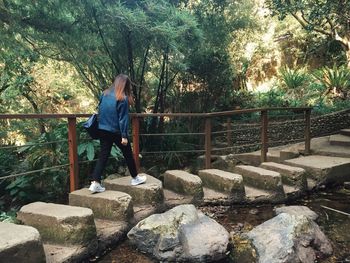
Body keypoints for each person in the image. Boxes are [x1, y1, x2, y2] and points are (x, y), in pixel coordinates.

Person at [89, 74, 146, 193]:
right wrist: (124, 136)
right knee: (128, 154)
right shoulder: (122, 98)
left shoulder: (104, 94)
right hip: (116, 132)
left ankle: (95, 183)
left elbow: (100, 110)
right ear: (125, 85)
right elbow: (123, 119)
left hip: (103, 129)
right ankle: (135, 178)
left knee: (103, 156)